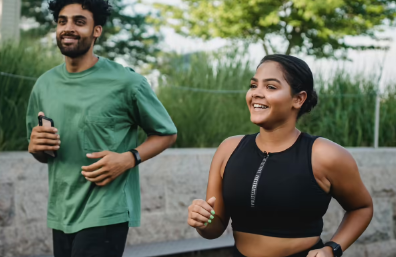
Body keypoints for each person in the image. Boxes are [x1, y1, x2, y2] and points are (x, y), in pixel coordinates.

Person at [26, 1, 177, 256]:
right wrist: (36, 148)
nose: (68, 28)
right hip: (60, 213)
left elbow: (166, 132)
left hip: (106, 212)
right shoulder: (44, 85)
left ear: (97, 30)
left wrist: (129, 158)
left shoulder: (127, 82)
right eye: (62, 21)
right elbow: (43, 153)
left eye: (79, 21)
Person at [187, 54, 373, 257]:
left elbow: (361, 208)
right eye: (253, 85)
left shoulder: (324, 155)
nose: (256, 93)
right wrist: (203, 221)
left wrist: (332, 248)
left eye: (271, 87)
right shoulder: (228, 149)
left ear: (298, 99)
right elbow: (216, 229)